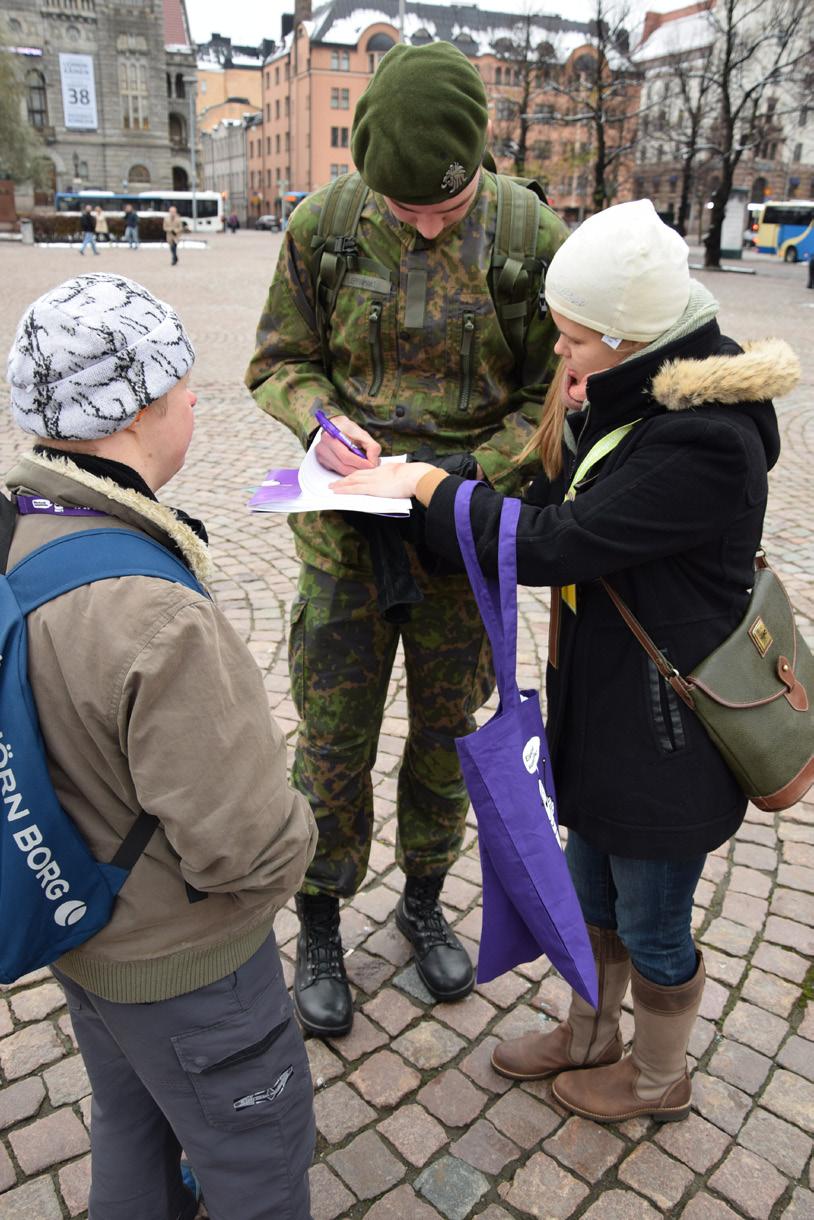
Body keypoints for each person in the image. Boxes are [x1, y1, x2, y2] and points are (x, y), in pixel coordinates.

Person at [331, 199, 800, 1122]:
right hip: (610, 711)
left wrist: (425, 491)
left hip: (671, 737)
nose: (559, 355)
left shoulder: (702, 440)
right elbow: (537, 489)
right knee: (589, 891)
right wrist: (413, 473)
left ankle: (659, 1080)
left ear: (628, 339)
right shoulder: (635, 402)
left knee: (654, 925)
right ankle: (591, 1033)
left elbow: (555, 541)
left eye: (573, 339)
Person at [246, 39, 567, 1038]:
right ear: (365, 175)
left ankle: (423, 897)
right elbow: (277, 360)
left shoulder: (528, 233)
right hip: (345, 539)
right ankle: (320, 915)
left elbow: (548, 395)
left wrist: (467, 480)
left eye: (446, 204)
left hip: (462, 540)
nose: (426, 223)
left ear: (481, 161)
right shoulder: (324, 226)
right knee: (331, 743)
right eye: (405, 209)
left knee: (446, 736)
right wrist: (317, 421)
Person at [5, 273, 318, 1216]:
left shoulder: (21, 527)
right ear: (140, 406)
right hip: (189, 966)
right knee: (257, 1159)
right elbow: (244, 846)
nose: (194, 405)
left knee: (131, 1121)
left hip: (80, 930)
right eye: (186, 388)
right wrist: (301, 819)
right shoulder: (154, 612)